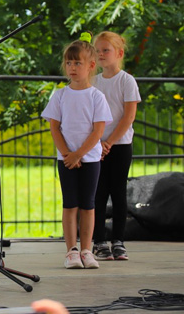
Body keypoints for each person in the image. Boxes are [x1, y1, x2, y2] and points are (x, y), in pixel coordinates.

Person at [42, 38, 111, 270]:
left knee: (88, 205)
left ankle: (86, 250)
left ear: (91, 65)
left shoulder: (96, 97)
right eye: (68, 63)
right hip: (66, 160)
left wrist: (79, 154)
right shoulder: (60, 96)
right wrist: (67, 154)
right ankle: (71, 251)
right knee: (70, 204)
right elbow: (54, 127)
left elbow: (98, 131)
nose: (72, 67)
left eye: (77, 63)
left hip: (89, 159)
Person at [91, 31, 141, 261]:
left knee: (118, 192)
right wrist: (97, 141)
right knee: (98, 193)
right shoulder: (93, 81)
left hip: (119, 145)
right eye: (98, 50)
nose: (101, 54)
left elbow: (128, 116)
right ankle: (99, 241)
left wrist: (109, 141)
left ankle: (118, 241)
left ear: (119, 53)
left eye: (105, 50)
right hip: (96, 145)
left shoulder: (126, 81)